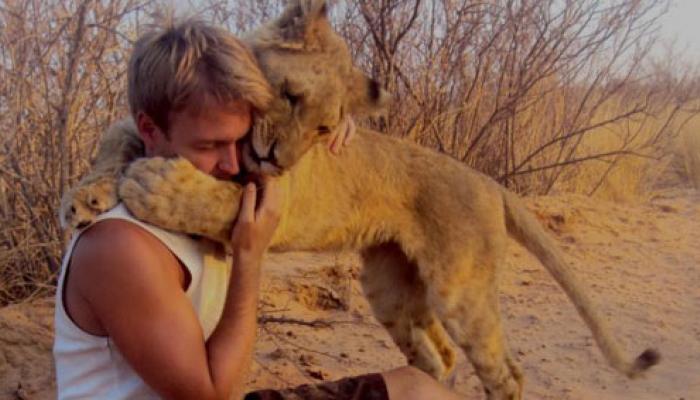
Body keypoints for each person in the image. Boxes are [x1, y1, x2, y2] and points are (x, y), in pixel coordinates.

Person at [53, 19, 462, 400]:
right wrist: (249, 256)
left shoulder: (199, 189)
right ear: (147, 129)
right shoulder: (119, 247)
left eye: (239, 141)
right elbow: (210, 394)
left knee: (416, 390)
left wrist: (327, 118)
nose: (232, 165)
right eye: (209, 146)